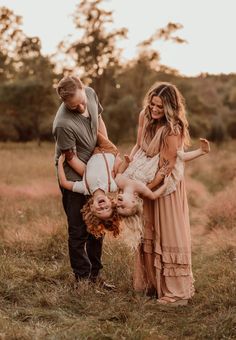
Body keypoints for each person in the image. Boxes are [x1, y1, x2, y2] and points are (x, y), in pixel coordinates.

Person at [131, 82, 210, 305]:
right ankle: (153, 284)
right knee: (148, 229)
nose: (154, 109)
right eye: (152, 104)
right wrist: (130, 172)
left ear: (170, 108)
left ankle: (177, 293)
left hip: (165, 186)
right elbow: (138, 146)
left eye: (160, 107)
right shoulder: (144, 116)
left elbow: (165, 168)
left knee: (167, 231)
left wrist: (145, 190)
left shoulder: (172, 130)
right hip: (146, 178)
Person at [52, 75, 110, 284]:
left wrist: (106, 153)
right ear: (65, 103)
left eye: (81, 102)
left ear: (82, 88)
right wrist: (96, 177)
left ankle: (96, 275)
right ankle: (82, 279)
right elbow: (71, 158)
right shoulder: (62, 124)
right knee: (78, 230)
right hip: (74, 175)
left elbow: (99, 120)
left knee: (97, 224)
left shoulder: (91, 93)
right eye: (74, 106)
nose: (80, 107)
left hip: (94, 165)